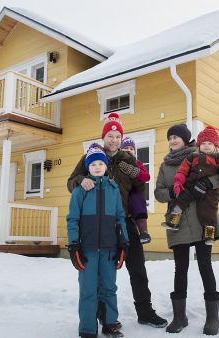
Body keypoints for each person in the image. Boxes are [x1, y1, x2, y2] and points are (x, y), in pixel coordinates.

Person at [67, 113, 168, 329]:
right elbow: (70, 182)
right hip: (98, 225)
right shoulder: (92, 156)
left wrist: (135, 175)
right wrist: (80, 179)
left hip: (124, 222)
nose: (114, 140)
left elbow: (141, 183)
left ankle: (145, 311)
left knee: (138, 268)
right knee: (101, 275)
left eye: (117, 136)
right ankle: (104, 316)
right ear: (104, 136)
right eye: (110, 135)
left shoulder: (126, 158)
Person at [154, 123, 219, 335]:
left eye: (176, 137)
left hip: (202, 218)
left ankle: (212, 318)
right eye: (170, 137)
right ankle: (179, 317)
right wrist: (175, 193)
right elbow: (158, 192)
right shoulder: (165, 166)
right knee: (180, 268)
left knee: (205, 266)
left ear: (186, 139)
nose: (173, 140)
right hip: (178, 221)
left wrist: (205, 184)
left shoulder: (199, 154)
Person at [67, 145, 129, 338]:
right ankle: (87, 328)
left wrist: (123, 243)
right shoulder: (80, 190)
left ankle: (110, 323)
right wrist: (73, 245)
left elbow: (120, 217)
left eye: (100, 163)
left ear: (106, 166)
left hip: (110, 249)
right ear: (87, 168)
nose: (97, 166)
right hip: (87, 249)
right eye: (92, 164)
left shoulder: (113, 189)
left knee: (109, 288)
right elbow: (73, 219)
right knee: (88, 289)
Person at [162, 126, 219, 246]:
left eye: (209, 143)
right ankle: (173, 222)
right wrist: (178, 182)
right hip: (190, 187)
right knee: (180, 202)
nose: (206, 146)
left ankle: (209, 235)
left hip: (210, 193)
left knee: (207, 212)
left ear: (215, 146)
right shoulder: (192, 157)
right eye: (203, 143)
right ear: (199, 145)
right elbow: (182, 171)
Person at [120, 136, 151, 244]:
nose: (128, 150)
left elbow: (146, 177)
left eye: (131, 148)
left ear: (135, 152)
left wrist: (133, 170)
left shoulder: (137, 163)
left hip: (134, 193)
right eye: (125, 148)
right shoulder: (117, 164)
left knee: (137, 199)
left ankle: (143, 231)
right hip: (121, 195)